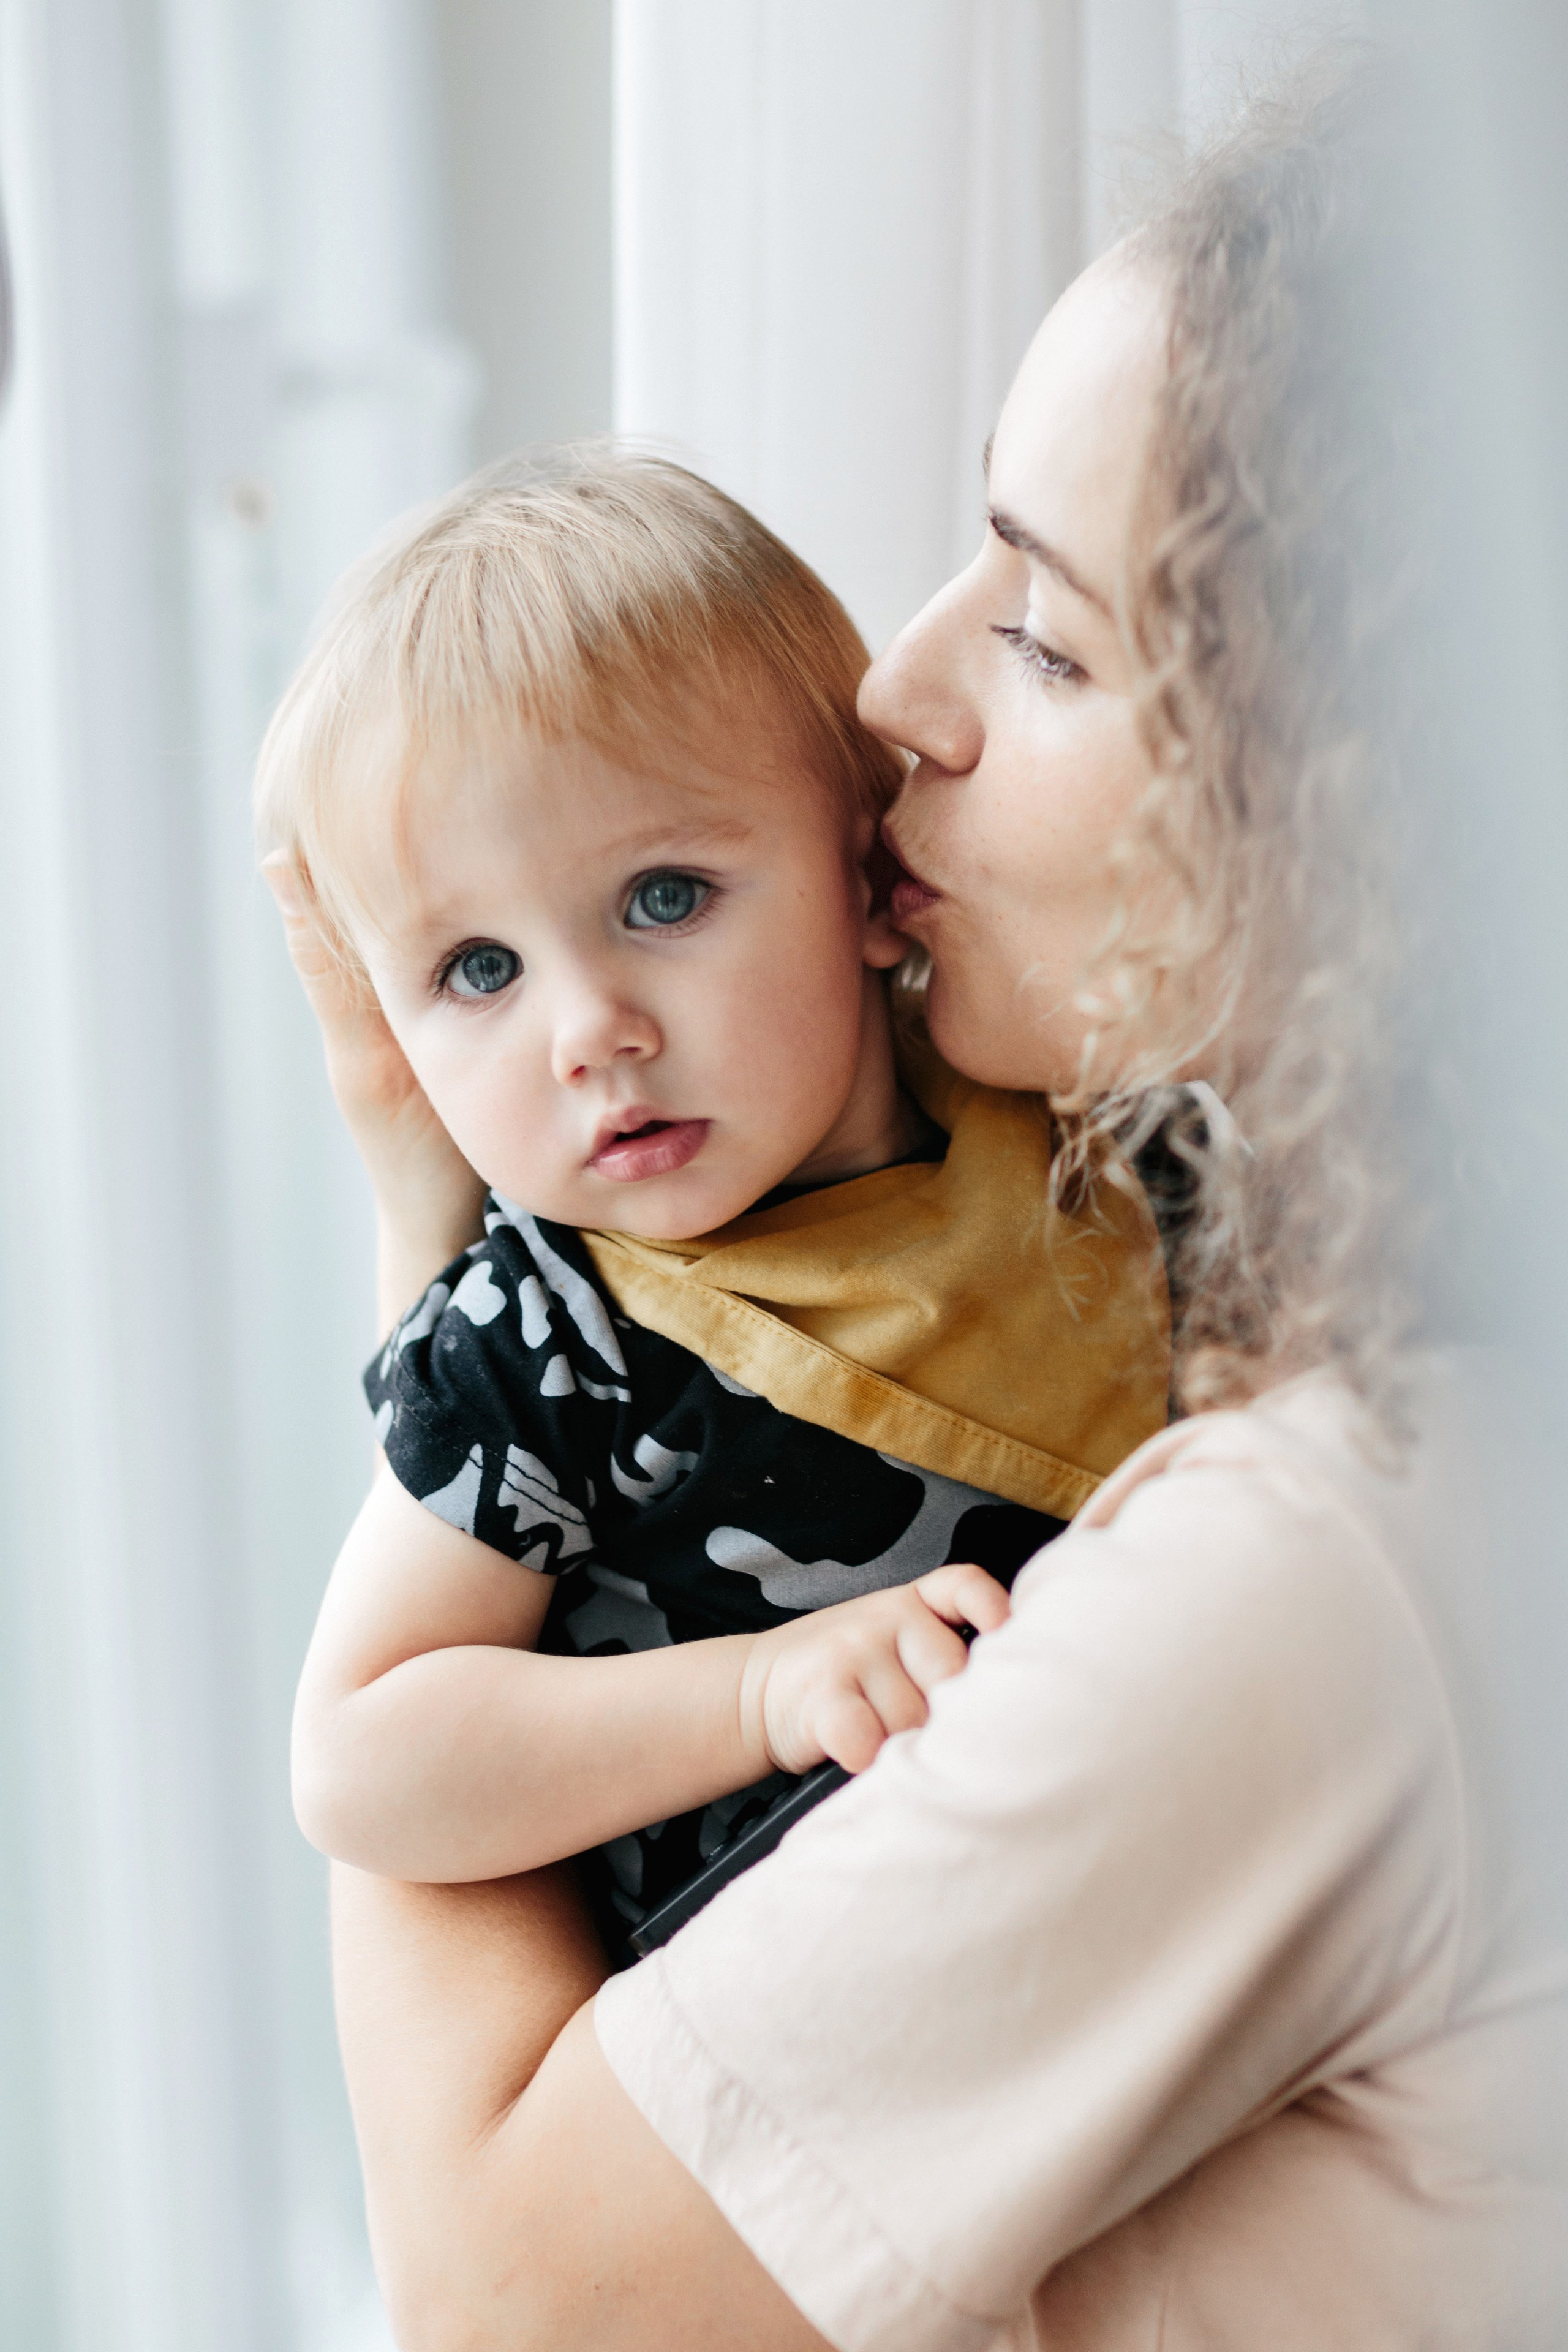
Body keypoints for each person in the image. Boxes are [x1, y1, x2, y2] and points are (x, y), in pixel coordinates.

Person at [268, 59, 1567, 2352]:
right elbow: (374, 1736)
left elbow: (505, 2306)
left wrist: (451, 1284)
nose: (896, 695)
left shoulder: (1328, 1556)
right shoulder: (1327, 1299)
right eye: (475, 966)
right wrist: (474, 1309)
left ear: (1373, 798)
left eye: (1051, 638)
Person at [260, 453, 1167, 1955]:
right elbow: (361, 1757)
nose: (587, 1031)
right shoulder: (545, 1332)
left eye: (663, 897)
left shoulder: (1090, 1149)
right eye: (477, 970)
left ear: (874, 872)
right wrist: (757, 1692)